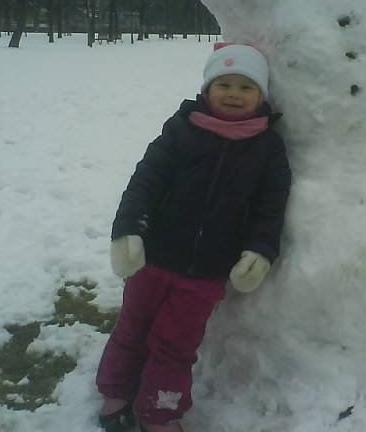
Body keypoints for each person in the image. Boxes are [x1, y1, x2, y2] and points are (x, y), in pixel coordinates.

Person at [94, 42, 292, 432]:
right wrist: (128, 230)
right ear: (207, 90)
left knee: (175, 344)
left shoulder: (268, 146)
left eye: (246, 87)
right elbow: (145, 180)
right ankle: (116, 392)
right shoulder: (182, 129)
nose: (234, 94)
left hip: (207, 272)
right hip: (153, 259)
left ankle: (160, 411)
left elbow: (271, 206)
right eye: (224, 84)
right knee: (132, 327)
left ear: (261, 96)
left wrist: (262, 249)